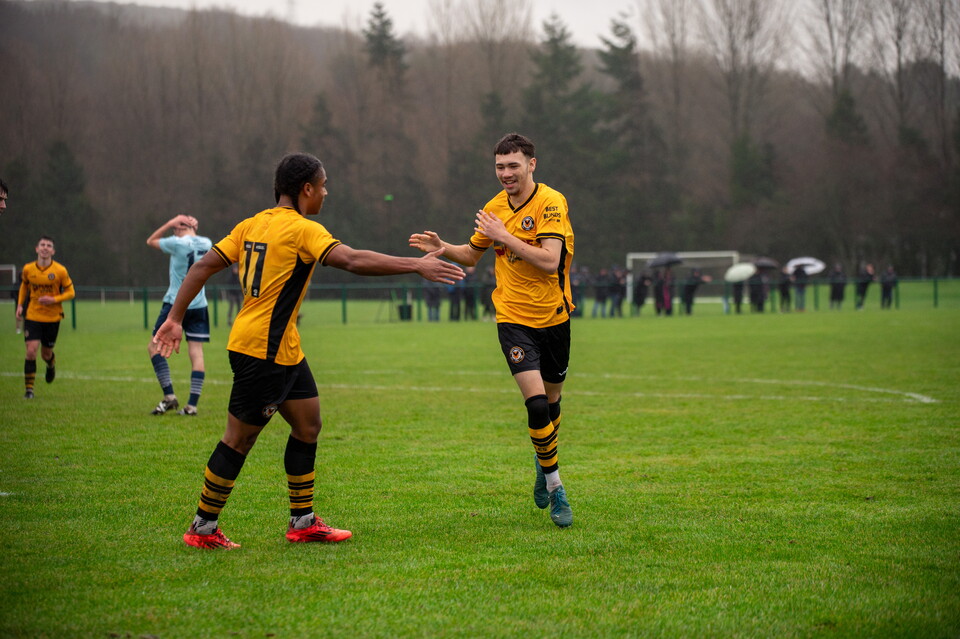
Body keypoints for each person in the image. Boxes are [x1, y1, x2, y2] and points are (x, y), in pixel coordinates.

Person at [153, 152, 463, 550]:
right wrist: (415, 265)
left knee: (308, 425)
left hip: (283, 350)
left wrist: (176, 317)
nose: (326, 192)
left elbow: (201, 268)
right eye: (323, 185)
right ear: (306, 189)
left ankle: (302, 522)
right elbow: (350, 259)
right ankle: (203, 528)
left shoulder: (251, 224)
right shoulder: (302, 229)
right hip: (260, 351)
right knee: (237, 440)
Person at [409, 132, 575, 529]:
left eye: (513, 165)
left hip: (554, 317)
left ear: (531, 164)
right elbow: (472, 254)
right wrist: (443, 246)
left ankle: (542, 461)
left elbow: (550, 262)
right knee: (536, 405)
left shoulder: (551, 203)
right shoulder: (494, 207)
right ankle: (556, 486)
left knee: (551, 408)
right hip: (512, 318)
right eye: (500, 166)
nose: (505, 173)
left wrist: (505, 236)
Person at [146, 214, 213, 416]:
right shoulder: (207, 242)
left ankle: (169, 397)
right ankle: (192, 406)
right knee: (197, 353)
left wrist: (168, 223)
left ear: (178, 227)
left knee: (154, 347)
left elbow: (151, 241)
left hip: (176, 304)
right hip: (199, 304)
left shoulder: (176, 243)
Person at [17, 236, 75, 399]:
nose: (45, 248)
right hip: (33, 315)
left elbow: (71, 292)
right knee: (31, 351)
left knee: (46, 354)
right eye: (42, 245)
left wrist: (54, 299)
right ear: (37, 249)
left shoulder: (60, 271)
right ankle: (29, 390)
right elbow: (24, 286)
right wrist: (20, 305)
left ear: (53, 251)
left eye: (48, 246)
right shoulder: (28, 269)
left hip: (52, 318)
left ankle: (51, 364)